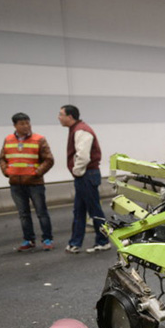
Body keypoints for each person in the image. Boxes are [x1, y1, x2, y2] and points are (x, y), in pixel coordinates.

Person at [0, 112, 55, 251]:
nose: (26, 126)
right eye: (22, 124)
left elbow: (49, 159)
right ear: (15, 125)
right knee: (23, 214)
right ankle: (28, 240)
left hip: (35, 183)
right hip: (16, 184)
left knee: (41, 212)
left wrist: (36, 173)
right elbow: (2, 158)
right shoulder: (8, 140)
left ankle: (47, 239)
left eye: (28, 123)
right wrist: (7, 172)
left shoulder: (39, 139)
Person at [58, 105, 109, 254]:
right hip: (84, 175)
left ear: (70, 116)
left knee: (95, 210)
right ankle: (75, 243)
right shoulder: (77, 129)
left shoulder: (81, 130)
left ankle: (103, 241)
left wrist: (77, 171)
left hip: (87, 175)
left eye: (61, 114)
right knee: (79, 210)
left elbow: (83, 156)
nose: (58, 117)